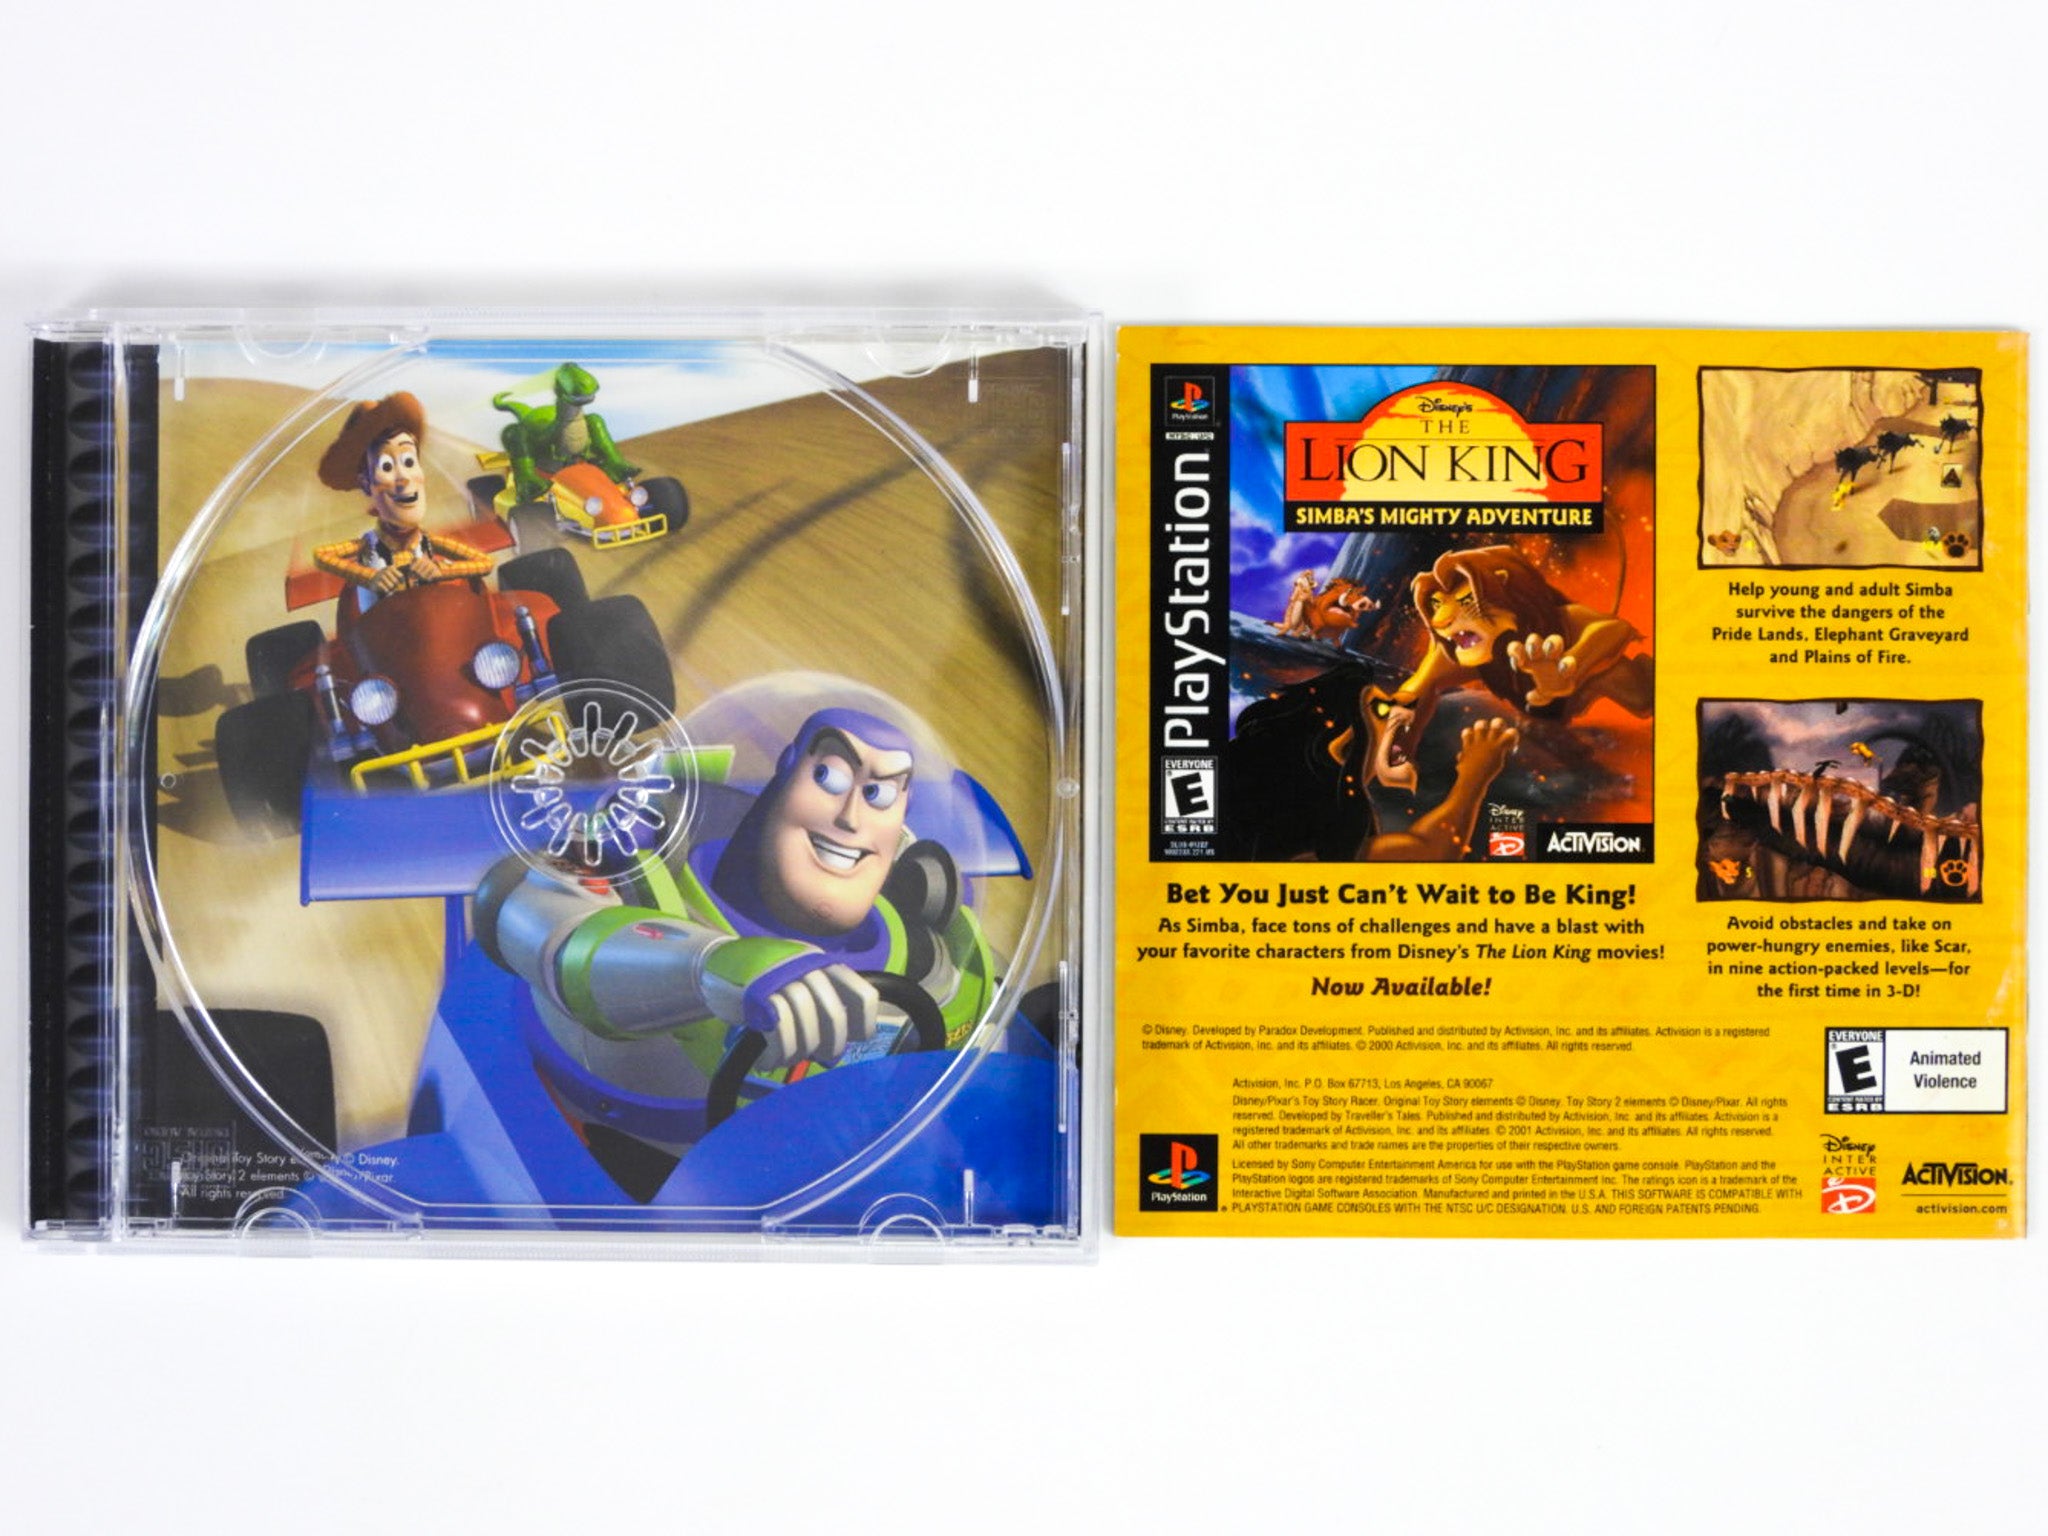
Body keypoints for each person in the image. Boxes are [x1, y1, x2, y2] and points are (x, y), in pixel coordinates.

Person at [473, 706, 991, 1192]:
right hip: (630, 1157)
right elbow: (534, 922)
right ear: (788, 771)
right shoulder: (636, 876)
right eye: (829, 777)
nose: (851, 817)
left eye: (878, 793)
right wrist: (706, 966)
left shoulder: (929, 953)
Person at [312, 392, 492, 606]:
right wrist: (370, 577)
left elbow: (485, 562)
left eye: (409, 462)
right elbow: (321, 555)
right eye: (386, 466)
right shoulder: (369, 545)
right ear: (366, 483)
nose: (404, 477)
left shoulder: (426, 542)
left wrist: (441, 569)